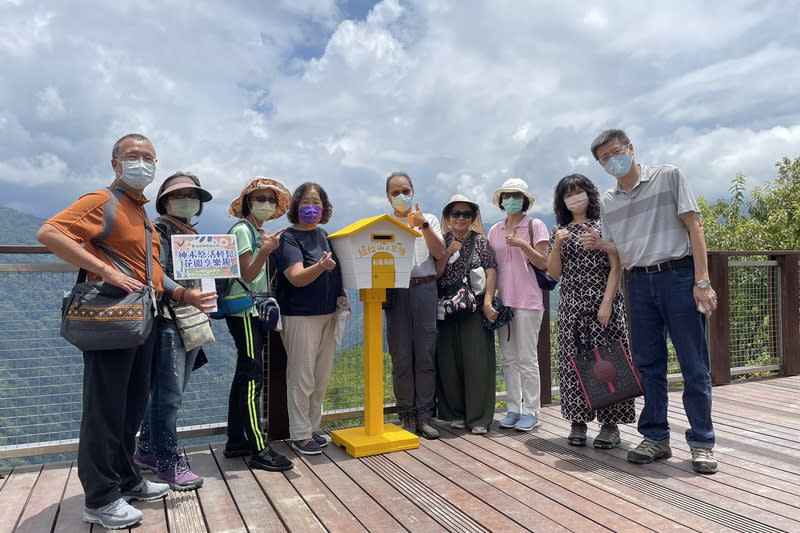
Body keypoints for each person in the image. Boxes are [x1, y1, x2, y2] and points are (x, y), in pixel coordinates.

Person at [37, 133, 172, 529]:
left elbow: (149, 268)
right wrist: (110, 271)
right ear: (116, 164)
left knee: (131, 406)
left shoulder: (140, 211)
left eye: (149, 157)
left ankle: (126, 478)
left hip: (142, 316)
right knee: (104, 409)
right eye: (133, 156)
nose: (142, 163)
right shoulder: (102, 200)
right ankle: (99, 498)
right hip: (112, 315)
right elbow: (49, 233)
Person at [582, 129, 718, 474]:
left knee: (693, 364)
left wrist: (702, 281)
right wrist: (600, 244)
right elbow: (618, 248)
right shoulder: (608, 200)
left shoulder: (668, 176)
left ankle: (702, 441)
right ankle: (655, 437)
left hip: (678, 276)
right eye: (604, 159)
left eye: (616, 152)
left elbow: (694, 226)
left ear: (630, 148)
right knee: (647, 364)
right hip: (638, 281)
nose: (613, 160)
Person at [134, 172, 217, 490]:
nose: (188, 200)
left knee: (167, 393)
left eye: (193, 195)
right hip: (170, 319)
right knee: (169, 396)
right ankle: (167, 463)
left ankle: (146, 452)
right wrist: (189, 295)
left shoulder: (192, 234)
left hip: (192, 319)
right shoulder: (160, 229)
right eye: (180, 194)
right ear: (165, 200)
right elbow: (157, 275)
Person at [547, 174, 635, 448]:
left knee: (608, 363)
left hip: (603, 301)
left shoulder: (603, 225)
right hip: (571, 304)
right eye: (568, 195)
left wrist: (607, 303)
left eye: (579, 192)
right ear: (562, 201)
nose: (575, 198)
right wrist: (558, 243)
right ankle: (578, 422)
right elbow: (554, 272)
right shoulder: (560, 230)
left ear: (589, 194)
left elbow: (616, 263)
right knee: (573, 363)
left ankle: (610, 426)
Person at [221, 177, 294, 472]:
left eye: (270, 200)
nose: (265, 204)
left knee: (244, 375)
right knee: (253, 378)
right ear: (247, 202)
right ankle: (259, 448)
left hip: (248, 309)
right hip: (245, 311)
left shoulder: (254, 230)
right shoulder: (242, 230)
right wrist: (266, 251)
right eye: (259, 198)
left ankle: (236, 440)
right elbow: (249, 275)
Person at [274, 182, 346, 455]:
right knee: (302, 376)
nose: (311, 208)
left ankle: (313, 428)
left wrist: (340, 294)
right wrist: (320, 267)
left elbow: (334, 272)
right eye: (305, 203)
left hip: (328, 313)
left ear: (324, 208)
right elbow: (296, 277)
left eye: (317, 203)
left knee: (321, 376)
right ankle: (300, 434)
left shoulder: (324, 235)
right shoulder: (289, 238)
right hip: (300, 315)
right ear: (296, 207)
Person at [384, 172, 446, 440]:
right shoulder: (384, 224)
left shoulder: (428, 219)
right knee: (400, 355)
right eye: (395, 192)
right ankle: (405, 415)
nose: (401, 196)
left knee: (425, 354)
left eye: (405, 190)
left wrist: (423, 226)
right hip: (395, 291)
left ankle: (424, 416)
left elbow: (439, 252)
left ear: (414, 191)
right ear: (387, 196)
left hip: (424, 288)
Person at [487, 178, 549, 431]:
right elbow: (491, 268)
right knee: (509, 358)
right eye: (507, 196)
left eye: (516, 196)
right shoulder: (494, 231)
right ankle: (514, 408)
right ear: (501, 200)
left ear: (524, 200)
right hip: (504, 301)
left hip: (528, 301)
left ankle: (532, 410)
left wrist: (524, 245)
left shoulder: (535, 225)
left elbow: (544, 263)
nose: (511, 200)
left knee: (527, 358)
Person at [434, 195, 498, 434]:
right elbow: (436, 273)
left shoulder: (481, 242)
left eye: (466, 214)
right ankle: (455, 413)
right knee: (448, 361)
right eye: (456, 214)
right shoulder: (441, 241)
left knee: (478, 362)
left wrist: (488, 302)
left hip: (474, 307)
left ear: (473, 218)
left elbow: (492, 272)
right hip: (446, 308)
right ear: (448, 217)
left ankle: (479, 417)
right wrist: (447, 251)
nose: (461, 218)